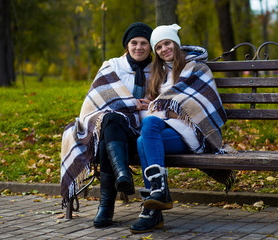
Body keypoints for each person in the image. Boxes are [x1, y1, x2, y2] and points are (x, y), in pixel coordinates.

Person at [129, 24, 230, 234]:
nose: (164, 49)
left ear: (175, 43)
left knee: (148, 127)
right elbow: (164, 105)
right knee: (142, 138)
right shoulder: (159, 74)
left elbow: (195, 108)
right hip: (167, 131)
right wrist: (158, 106)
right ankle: (156, 201)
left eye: (167, 43)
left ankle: (153, 208)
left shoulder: (197, 69)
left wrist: (160, 108)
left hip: (193, 133)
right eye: (158, 47)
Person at [60, 22, 153, 228]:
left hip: (141, 133)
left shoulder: (158, 70)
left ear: (150, 46)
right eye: (134, 43)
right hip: (114, 129)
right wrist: (130, 104)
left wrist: (149, 104)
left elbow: (163, 100)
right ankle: (122, 175)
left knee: (106, 141)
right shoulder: (112, 66)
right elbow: (98, 99)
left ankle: (107, 205)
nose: (139, 47)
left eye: (144, 43)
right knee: (110, 118)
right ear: (127, 45)